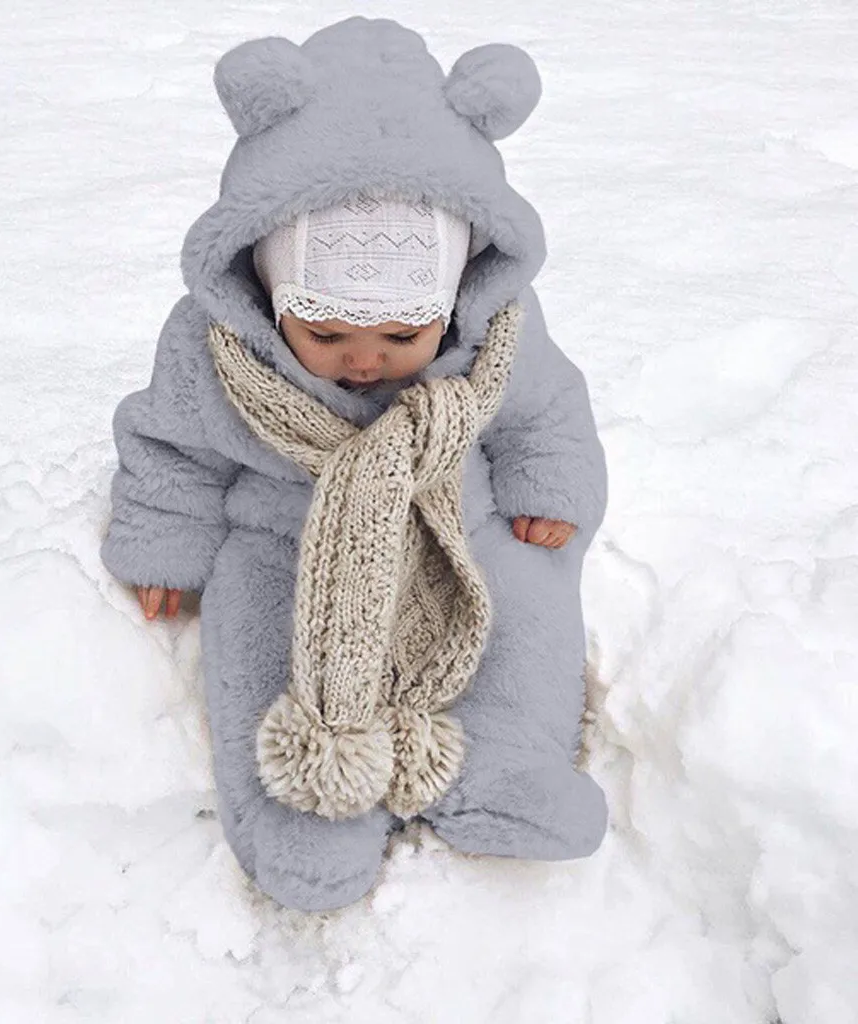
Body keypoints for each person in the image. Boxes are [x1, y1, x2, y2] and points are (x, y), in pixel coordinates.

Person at [101, 15, 609, 912]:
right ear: (262, 286)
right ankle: (302, 804)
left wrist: (548, 488)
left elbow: (547, 414)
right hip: (281, 540)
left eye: (402, 335)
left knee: (523, 618)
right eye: (327, 332)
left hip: (459, 522)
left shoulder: (496, 340)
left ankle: (503, 764)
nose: (364, 359)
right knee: (259, 646)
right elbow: (170, 445)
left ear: (455, 299)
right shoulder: (219, 354)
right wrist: (164, 544)